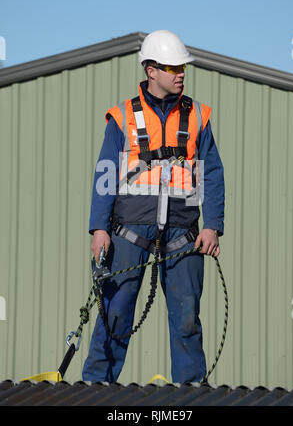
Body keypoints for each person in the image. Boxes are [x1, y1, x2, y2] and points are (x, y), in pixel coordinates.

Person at [82, 30, 225, 384]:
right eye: (172, 67)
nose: (180, 73)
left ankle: (190, 393)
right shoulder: (123, 117)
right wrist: (99, 228)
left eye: (182, 67)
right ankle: (96, 389)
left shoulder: (198, 117)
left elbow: (213, 174)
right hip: (128, 233)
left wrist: (213, 225)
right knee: (113, 315)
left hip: (184, 234)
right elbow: (105, 175)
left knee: (187, 318)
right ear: (151, 70)